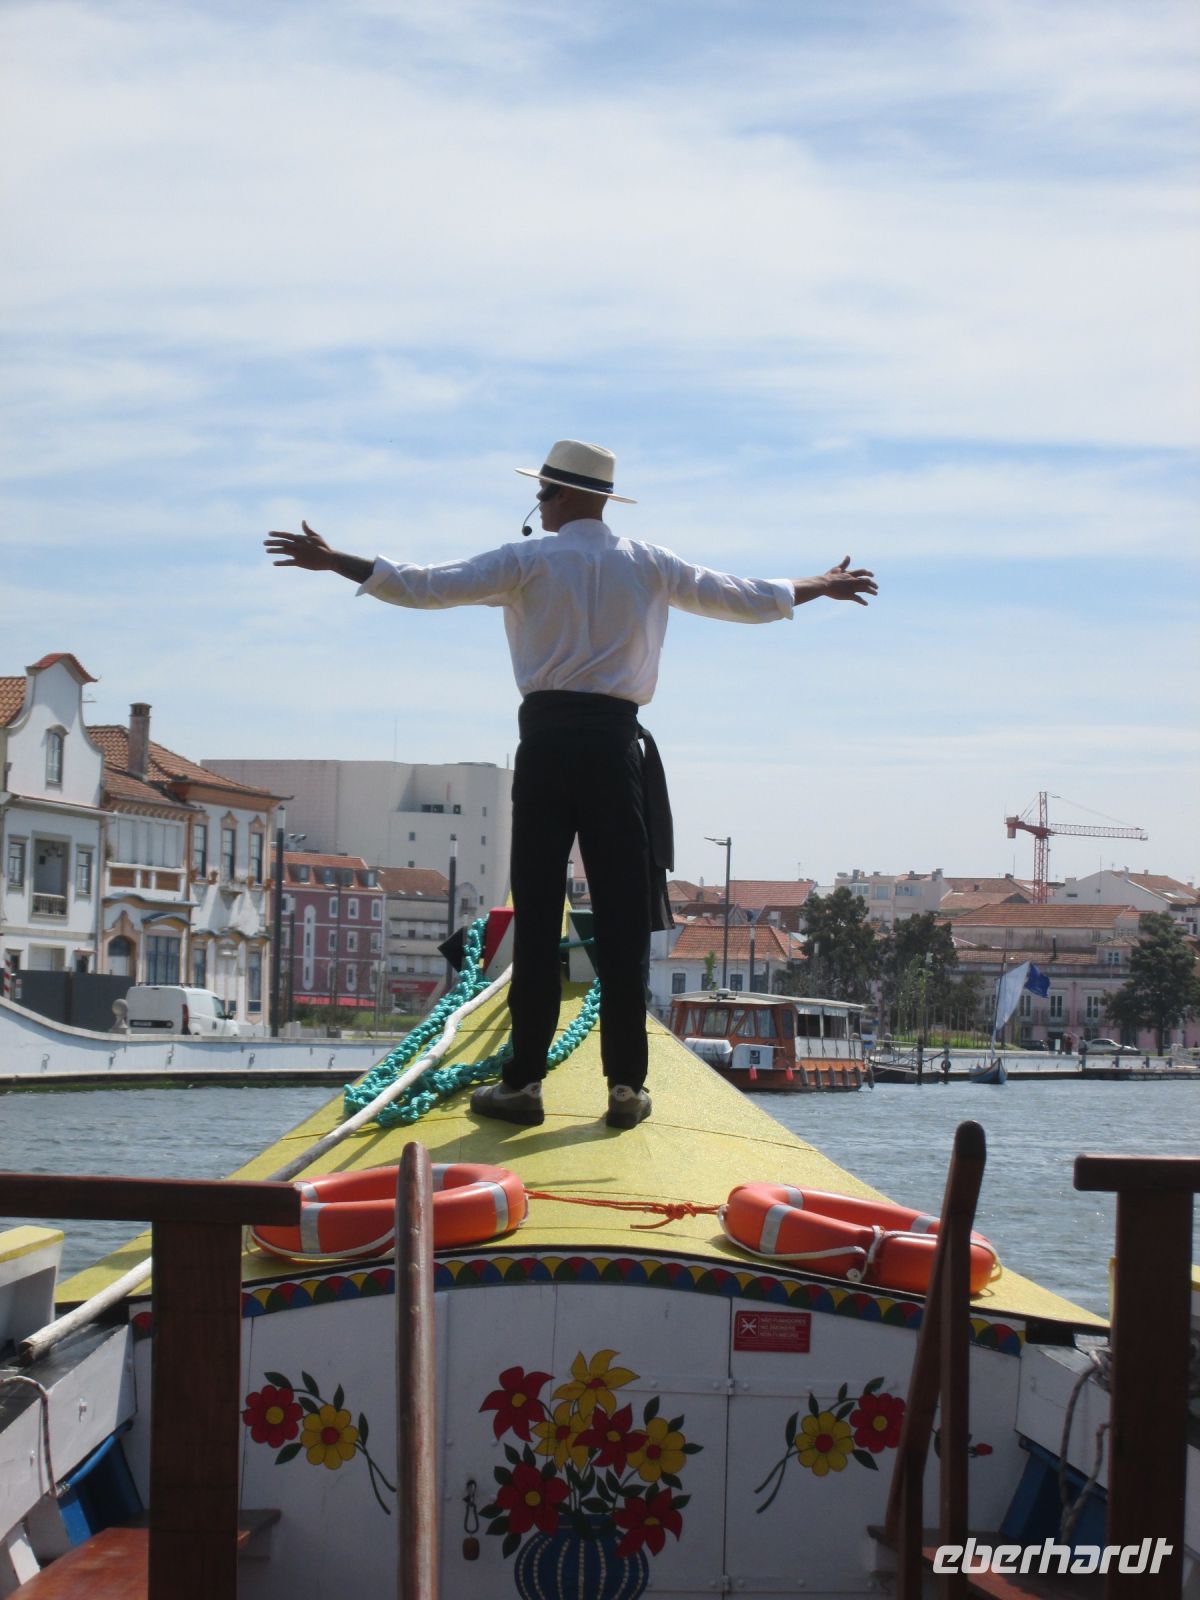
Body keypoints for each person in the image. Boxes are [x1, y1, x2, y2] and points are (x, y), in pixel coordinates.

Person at [265, 439, 877, 1130]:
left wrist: (334, 559)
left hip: (547, 745)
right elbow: (744, 597)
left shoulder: (525, 561)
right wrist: (819, 587)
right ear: (604, 499)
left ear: (555, 494)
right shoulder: (649, 564)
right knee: (618, 922)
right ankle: (625, 1088)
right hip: (617, 747)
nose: (540, 506)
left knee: (537, 914)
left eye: (542, 495)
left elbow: (422, 584)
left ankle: (524, 1083)